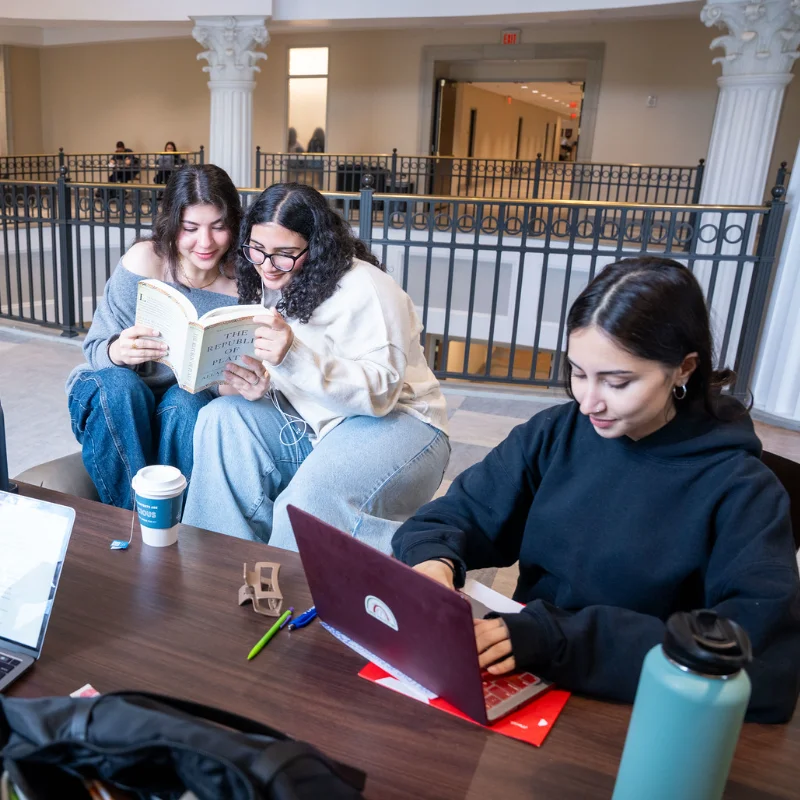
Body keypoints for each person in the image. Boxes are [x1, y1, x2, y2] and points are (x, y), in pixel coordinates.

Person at [392, 256, 800, 724]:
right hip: (526, 671)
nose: (588, 401)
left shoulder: (741, 489)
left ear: (684, 368)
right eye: (578, 372)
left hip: (643, 712)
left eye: (618, 381)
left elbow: (763, 663)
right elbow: (453, 516)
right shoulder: (557, 433)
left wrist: (561, 639)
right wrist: (432, 564)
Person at [182, 183, 450, 553]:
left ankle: (289, 602)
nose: (267, 266)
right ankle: (217, 572)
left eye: (284, 254)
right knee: (221, 417)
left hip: (401, 422)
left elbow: (382, 394)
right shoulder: (270, 280)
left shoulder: (368, 286)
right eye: (257, 250)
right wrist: (262, 383)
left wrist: (290, 355)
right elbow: (298, 378)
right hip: (317, 427)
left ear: (317, 247)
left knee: (303, 505)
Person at [66, 165, 270, 509]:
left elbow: (240, 370)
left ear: (234, 225)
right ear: (171, 223)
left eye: (218, 227)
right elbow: (95, 349)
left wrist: (242, 383)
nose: (205, 243)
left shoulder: (246, 281)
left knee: (186, 403)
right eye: (190, 228)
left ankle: (168, 527)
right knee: (120, 386)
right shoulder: (145, 260)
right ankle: (139, 523)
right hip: (116, 397)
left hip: (187, 401)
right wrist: (117, 351)